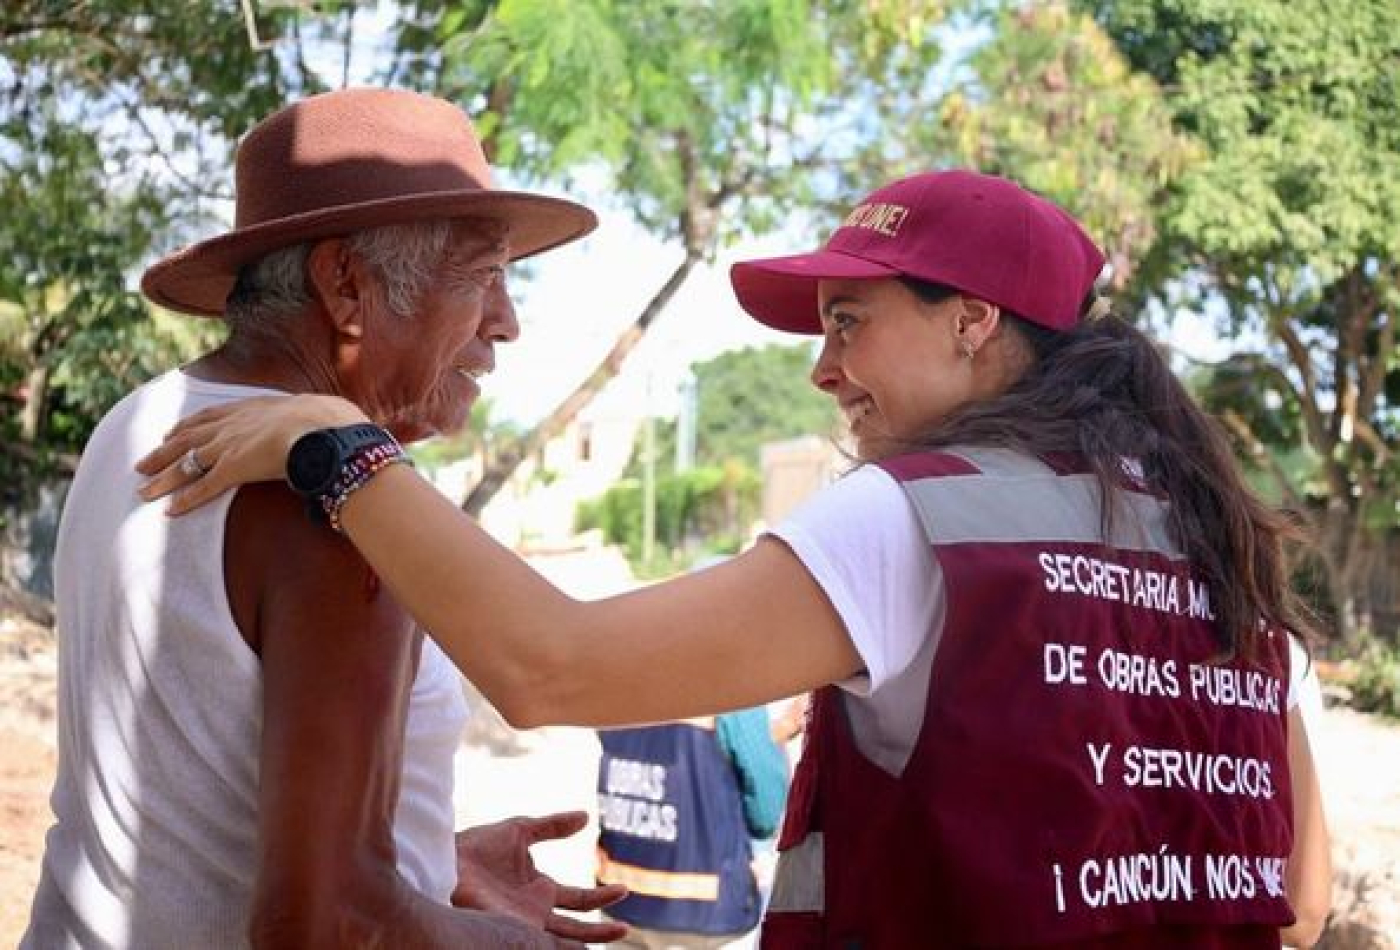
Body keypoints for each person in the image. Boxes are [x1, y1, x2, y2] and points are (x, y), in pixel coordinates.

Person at [137, 168, 1334, 948]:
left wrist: (334, 449)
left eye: (849, 322)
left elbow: (551, 667)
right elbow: (1303, 891)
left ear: (973, 320)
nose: (822, 370)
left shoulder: (915, 518)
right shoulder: (1215, 549)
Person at [23, 87, 626, 948]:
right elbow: (326, 926)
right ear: (346, 283)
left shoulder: (139, 419)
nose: (508, 323)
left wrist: (424, 859)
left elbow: (195, 808)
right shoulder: (340, 495)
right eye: (485, 275)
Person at [596, 704, 788, 949]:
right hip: (710, 911)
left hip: (621, 898)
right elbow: (766, 807)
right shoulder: (734, 688)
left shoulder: (614, 682)